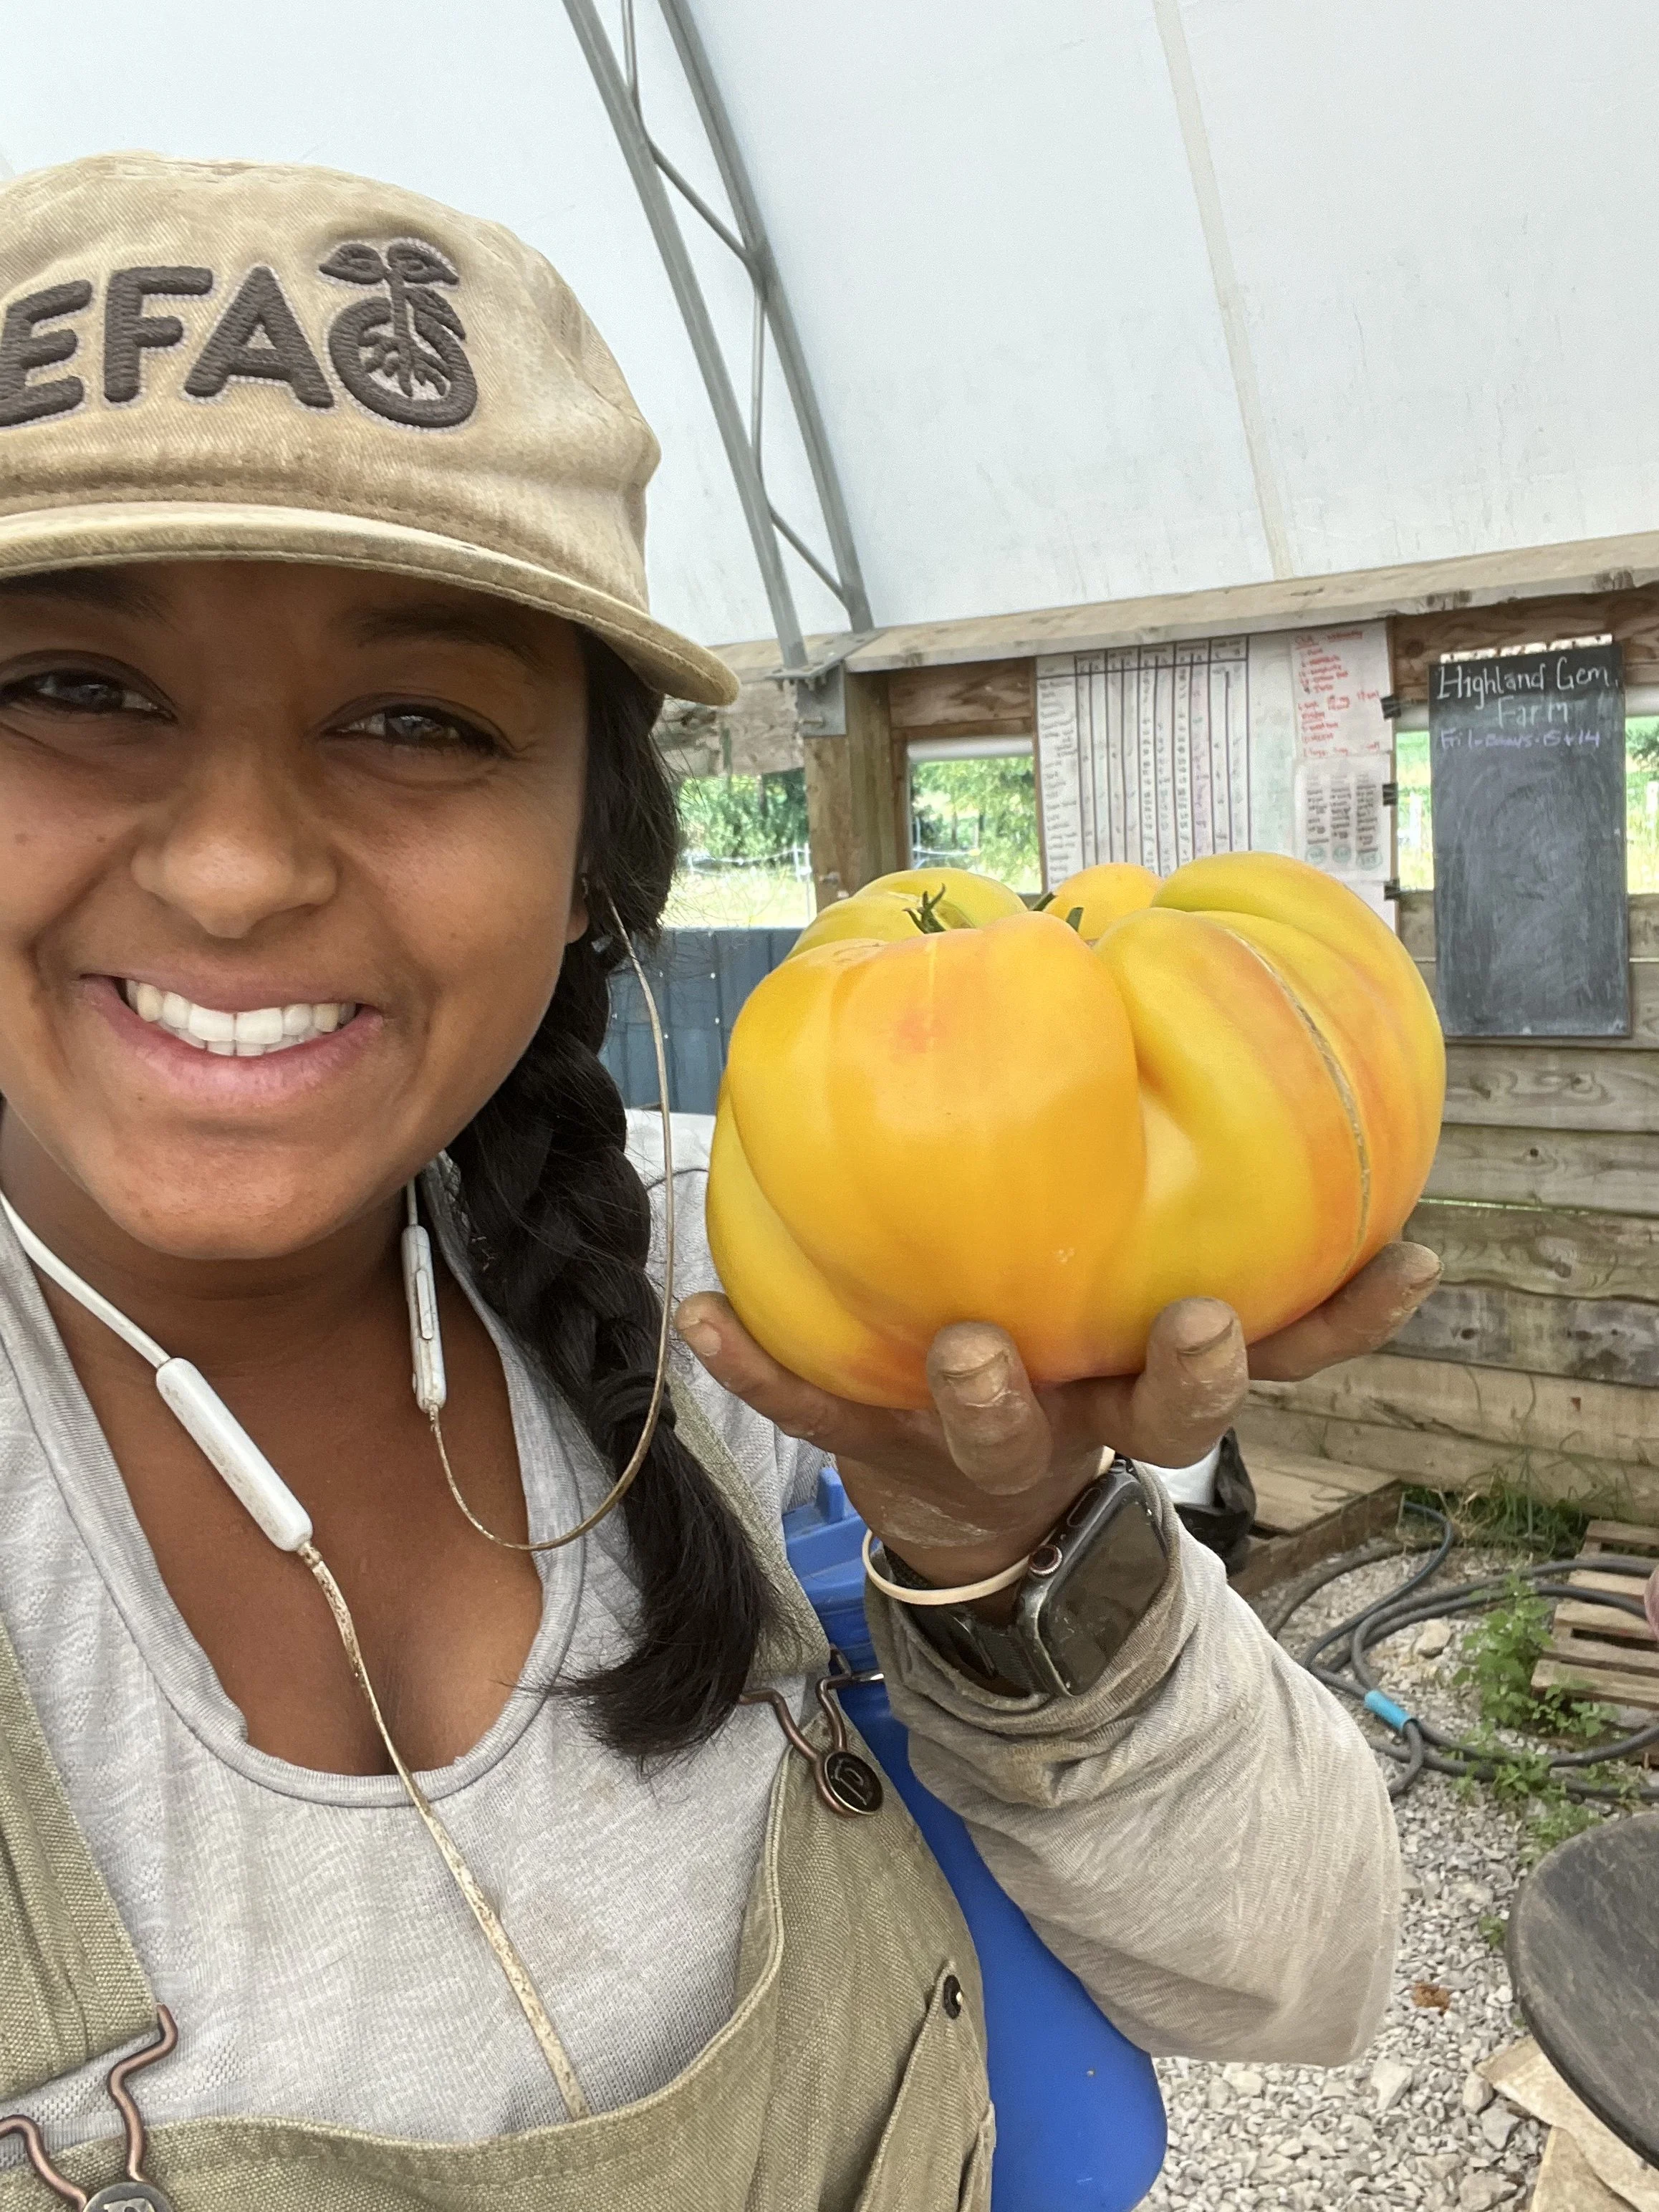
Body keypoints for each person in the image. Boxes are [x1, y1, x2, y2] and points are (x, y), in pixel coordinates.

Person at [0, 153, 1441, 2211]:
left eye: (415, 717)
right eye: (67, 689)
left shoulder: (764, 1293)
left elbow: (1294, 1973)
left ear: (602, 861)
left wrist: (1000, 1537)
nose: (237, 867)